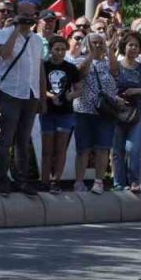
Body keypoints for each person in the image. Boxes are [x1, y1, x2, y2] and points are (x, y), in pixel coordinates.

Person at [0, 2, 45, 196]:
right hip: (11, 92)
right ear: (16, 15)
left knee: (23, 140)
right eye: (24, 15)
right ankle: (3, 180)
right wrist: (16, 28)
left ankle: (22, 180)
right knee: (6, 139)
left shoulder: (38, 40)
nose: (28, 18)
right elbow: (5, 55)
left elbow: (39, 69)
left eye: (31, 15)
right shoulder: (5, 33)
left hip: (31, 94)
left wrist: (42, 97)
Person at [72, 32, 118, 194]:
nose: (98, 45)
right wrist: (91, 54)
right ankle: (79, 182)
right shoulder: (79, 59)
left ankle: (98, 181)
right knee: (83, 148)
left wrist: (109, 49)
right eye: (94, 42)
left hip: (105, 113)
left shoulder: (108, 62)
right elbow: (80, 73)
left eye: (100, 42)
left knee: (103, 148)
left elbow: (115, 70)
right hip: (84, 110)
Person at [110, 33, 141, 192]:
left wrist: (137, 90)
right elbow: (107, 87)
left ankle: (135, 181)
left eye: (136, 45)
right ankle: (118, 183)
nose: (133, 48)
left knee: (133, 149)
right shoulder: (116, 66)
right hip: (117, 113)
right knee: (117, 150)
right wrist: (116, 98)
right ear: (124, 47)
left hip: (138, 114)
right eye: (130, 45)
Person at [39, 35, 81, 193]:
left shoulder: (71, 68)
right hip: (47, 111)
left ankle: (56, 180)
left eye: (63, 49)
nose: (60, 52)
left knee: (60, 148)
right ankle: (44, 181)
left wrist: (69, 96)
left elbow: (78, 89)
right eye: (57, 49)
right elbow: (39, 86)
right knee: (47, 149)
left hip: (65, 112)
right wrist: (51, 96)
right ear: (51, 50)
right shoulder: (44, 66)